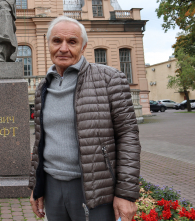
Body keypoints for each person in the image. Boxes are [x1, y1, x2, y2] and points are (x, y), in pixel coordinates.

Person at [29, 16, 141, 221]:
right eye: (57, 41)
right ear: (48, 44)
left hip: (94, 187)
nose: (63, 48)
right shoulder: (42, 87)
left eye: (72, 42)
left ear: (83, 46)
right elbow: (40, 141)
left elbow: (128, 136)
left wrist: (125, 193)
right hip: (53, 187)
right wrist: (37, 186)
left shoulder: (110, 79)